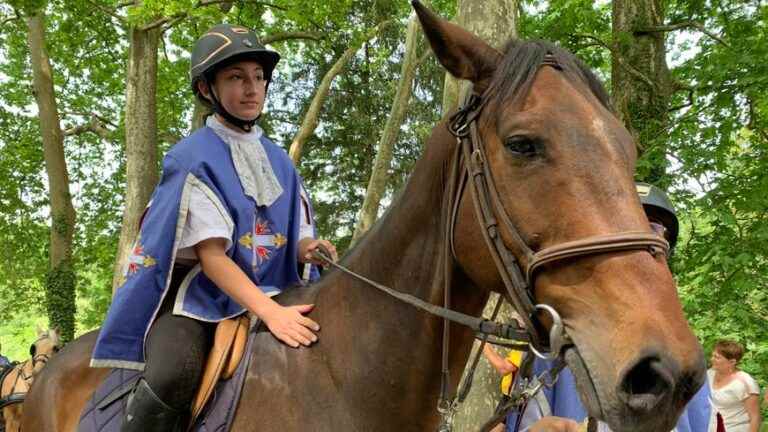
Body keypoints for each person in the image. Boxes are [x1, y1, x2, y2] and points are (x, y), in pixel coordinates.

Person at [90, 24, 337, 432]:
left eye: (258, 77)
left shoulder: (278, 160)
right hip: (201, 296)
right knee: (172, 372)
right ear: (207, 89)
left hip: (275, 288)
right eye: (236, 78)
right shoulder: (192, 158)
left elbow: (278, 241)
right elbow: (213, 257)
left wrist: (306, 247)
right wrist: (271, 314)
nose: (252, 88)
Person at [505, 183, 712, 432]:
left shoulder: (682, 355)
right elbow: (522, 420)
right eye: (618, 229)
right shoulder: (553, 345)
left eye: (651, 230)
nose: (633, 248)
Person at [708, 339, 762, 432]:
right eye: (712, 356)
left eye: (717, 357)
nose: (712, 359)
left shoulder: (745, 383)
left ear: (732, 362)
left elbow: (755, 418)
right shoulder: (709, 374)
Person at [482, 344, 524, 432]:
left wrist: (484, 345)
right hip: (509, 397)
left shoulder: (525, 346)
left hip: (515, 399)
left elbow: (504, 368)